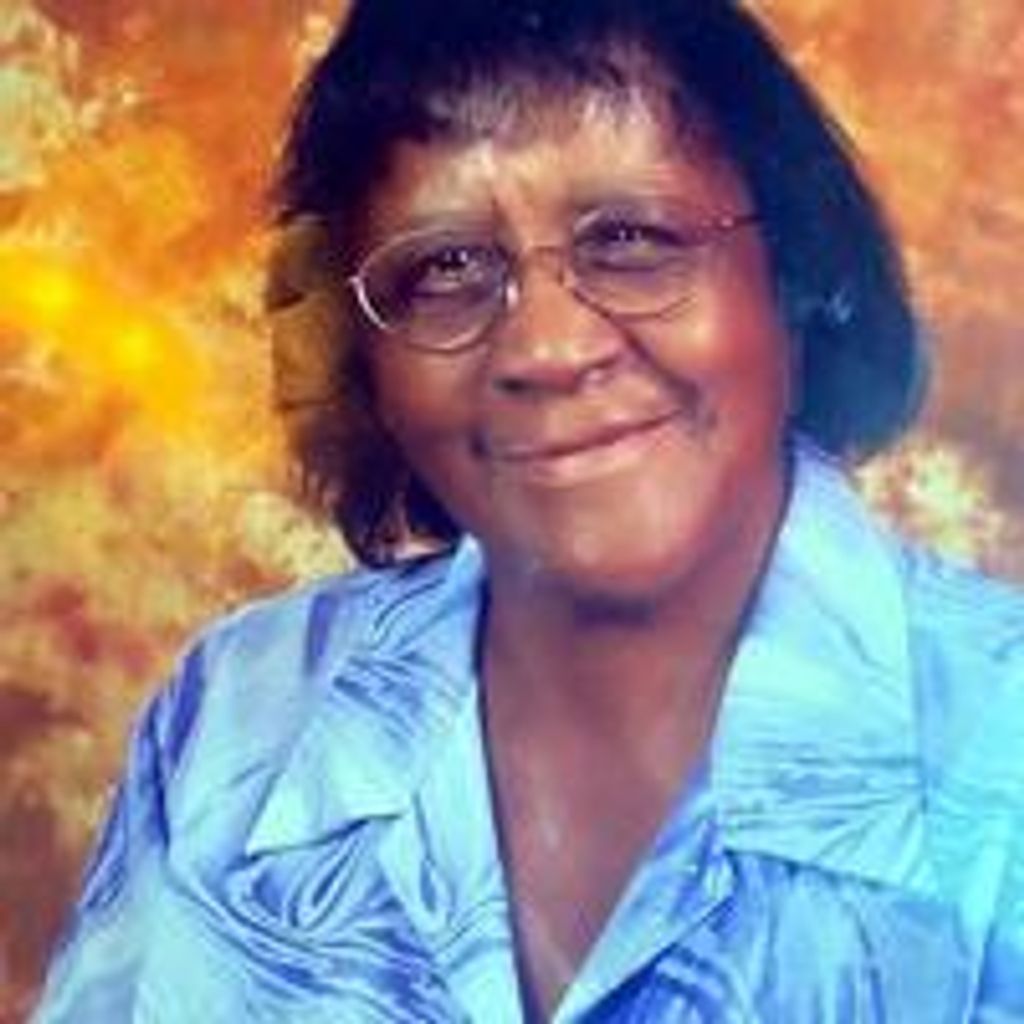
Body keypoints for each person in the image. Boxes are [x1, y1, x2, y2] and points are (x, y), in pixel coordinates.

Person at [34, 1, 1024, 1020]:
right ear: (362, 357)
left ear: (798, 278)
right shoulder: (243, 710)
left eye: (630, 238)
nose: (547, 350)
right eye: (446, 268)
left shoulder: (1003, 746)